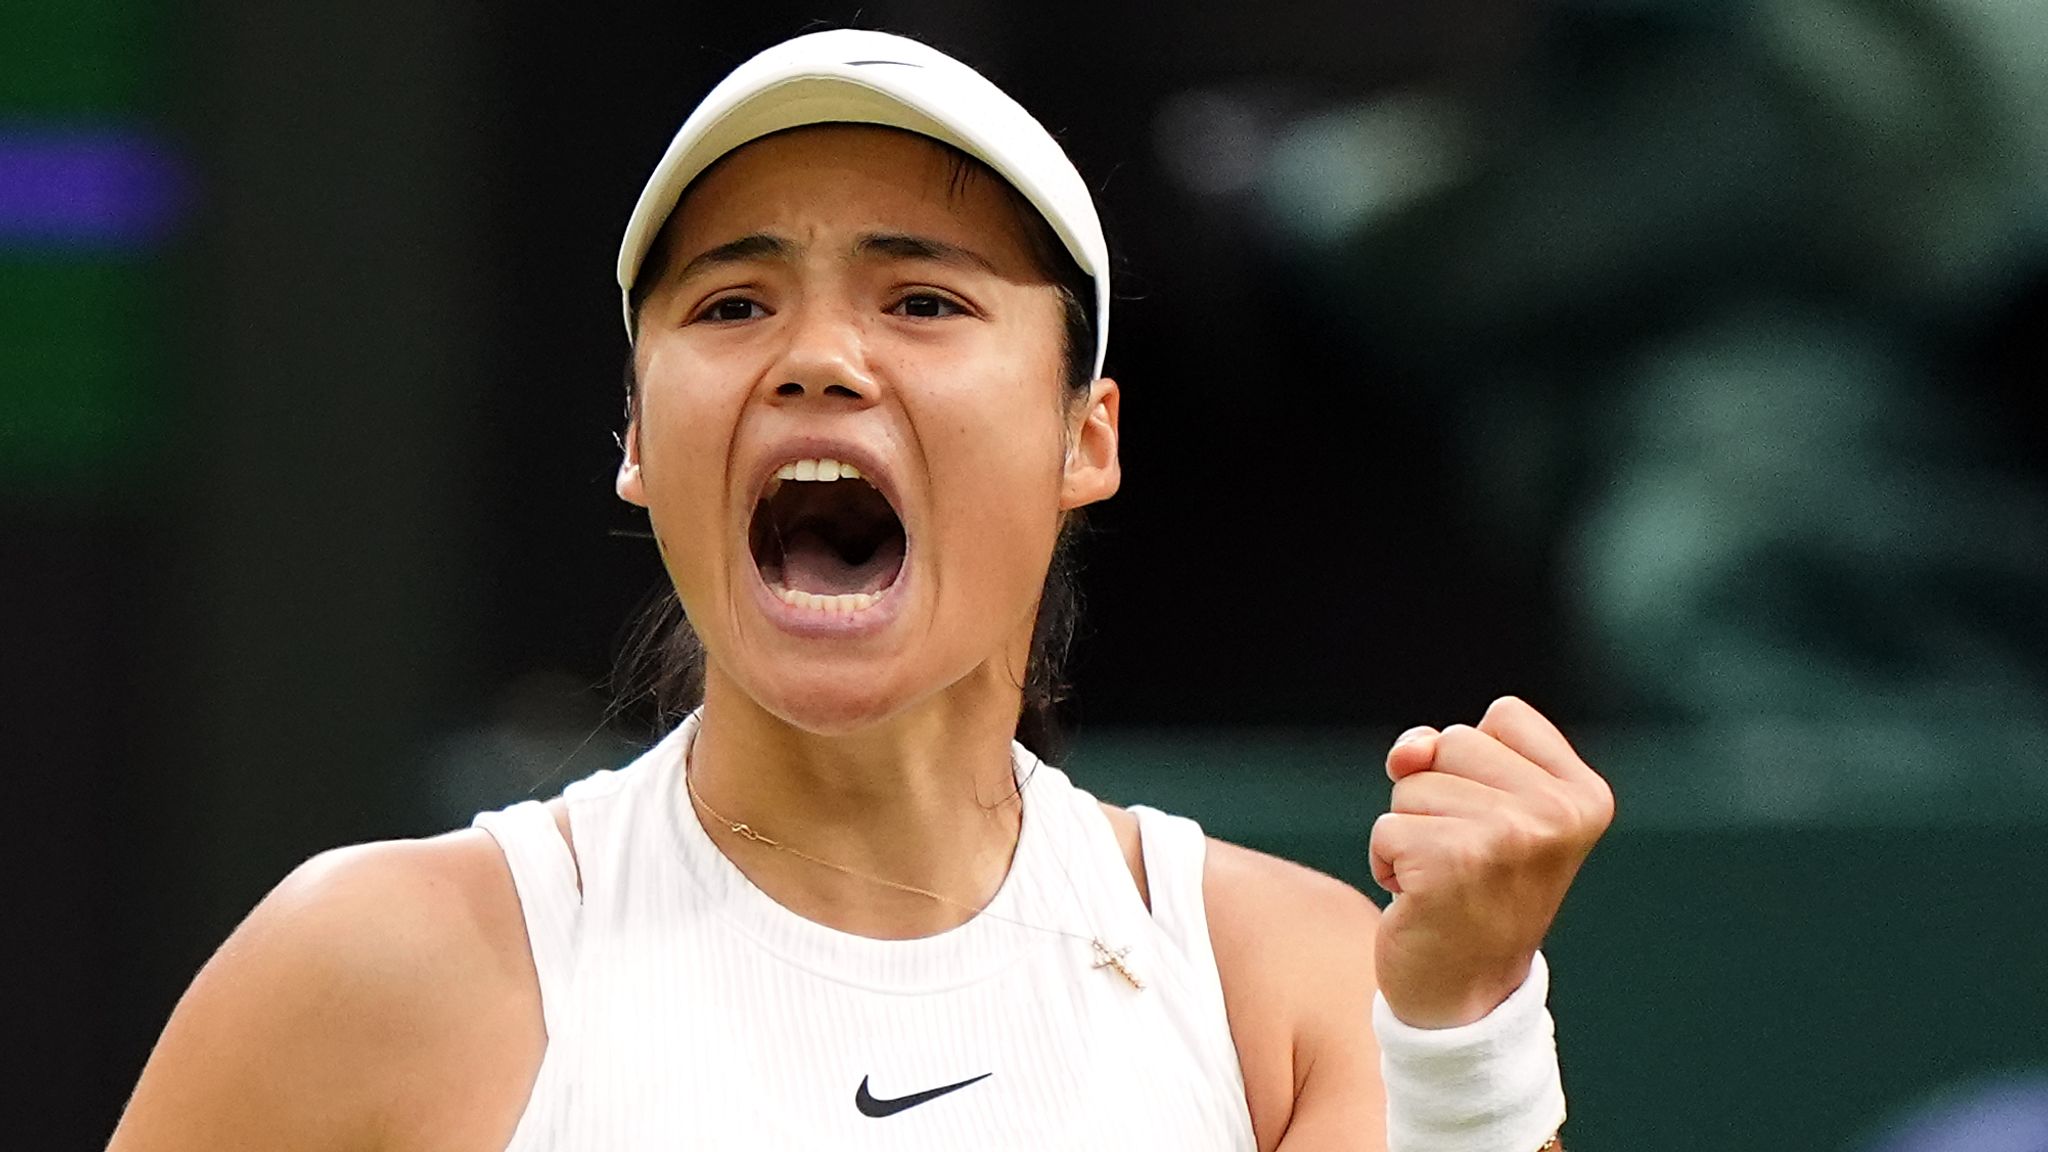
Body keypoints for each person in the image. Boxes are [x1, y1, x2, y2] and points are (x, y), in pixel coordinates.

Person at [107, 29, 1612, 1152]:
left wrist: (1468, 1040)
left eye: (924, 299)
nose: (820, 355)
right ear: (638, 438)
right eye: (736, 301)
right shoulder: (372, 971)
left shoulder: (1291, 991)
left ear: (1085, 435)